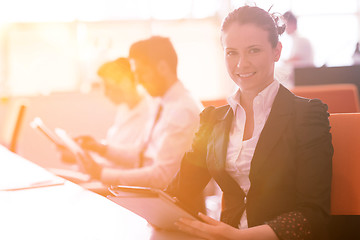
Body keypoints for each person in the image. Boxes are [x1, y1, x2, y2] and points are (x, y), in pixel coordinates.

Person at [165, 5, 333, 240]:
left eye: (254, 50)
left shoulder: (307, 115)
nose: (241, 64)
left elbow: (313, 216)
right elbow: (179, 192)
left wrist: (237, 236)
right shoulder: (213, 119)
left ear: (276, 51)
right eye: (231, 52)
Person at [78, 36, 203, 190]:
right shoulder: (161, 102)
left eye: (142, 73)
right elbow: (140, 153)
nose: (138, 81)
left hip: (170, 200)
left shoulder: (183, 110)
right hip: (152, 193)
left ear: (162, 68)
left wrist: (103, 174)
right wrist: (101, 148)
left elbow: (162, 177)